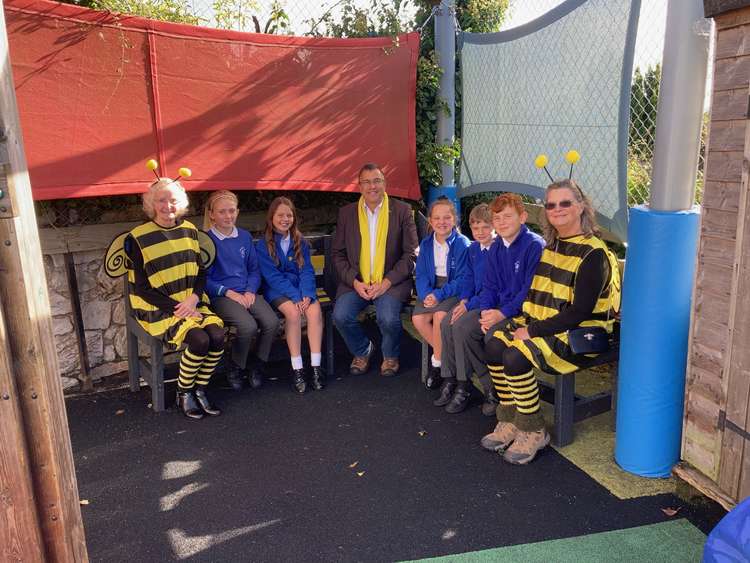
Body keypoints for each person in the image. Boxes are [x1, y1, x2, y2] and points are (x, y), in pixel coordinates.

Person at [481, 180, 620, 465]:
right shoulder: (554, 245)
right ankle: (511, 419)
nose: (557, 209)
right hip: (546, 322)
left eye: (565, 203)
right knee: (494, 344)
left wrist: (531, 331)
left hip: (581, 334)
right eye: (551, 204)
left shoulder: (594, 254)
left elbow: (579, 312)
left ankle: (534, 429)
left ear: (581, 207)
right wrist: (527, 324)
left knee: (515, 355)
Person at [125, 177, 224, 420]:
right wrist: (177, 308)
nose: (167, 206)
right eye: (161, 200)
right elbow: (142, 288)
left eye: (173, 200)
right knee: (200, 340)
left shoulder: (190, 230)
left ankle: (199, 389)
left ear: (180, 203)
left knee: (218, 336)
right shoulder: (138, 237)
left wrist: (193, 299)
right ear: (151, 204)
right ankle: (184, 392)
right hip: (158, 307)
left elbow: (200, 272)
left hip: (191, 300)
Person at [453, 194, 545, 417]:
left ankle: (510, 398)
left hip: (522, 313)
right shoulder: (496, 247)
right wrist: (485, 312)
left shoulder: (533, 245)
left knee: (491, 337)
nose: (501, 222)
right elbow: (489, 285)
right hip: (496, 310)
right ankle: (492, 387)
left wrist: (500, 314)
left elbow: (528, 292)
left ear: (522, 217)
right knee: (462, 327)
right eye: (497, 217)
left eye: (507, 216)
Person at [331, 163, 418, 377]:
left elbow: (411, 254)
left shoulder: (402, 211)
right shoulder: (347, 213)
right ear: (359, 186)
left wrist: (387, 282)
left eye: (377, 180)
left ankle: (390, 355)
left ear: (385, 184)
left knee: (388, 318)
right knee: (341, 316)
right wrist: (354, 282)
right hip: (357, 282)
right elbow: (338, 254)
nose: (372, 186)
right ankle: (363, 350)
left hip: (391, 282)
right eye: (367, 182)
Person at [204, 190, 280, 391]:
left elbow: (254, 269)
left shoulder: (244, 237)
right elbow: (204, 278)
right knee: (247, 326)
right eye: (222, 212)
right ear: (212, 214)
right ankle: (236, 366)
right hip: (223, 296)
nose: (228, 216)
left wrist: (249, 291)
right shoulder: (206, 240)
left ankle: (258, 365)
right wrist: (230, 293)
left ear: (237, 212)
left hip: (246, 292)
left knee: (272, 322)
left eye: (231, 211)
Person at [256, 196, 325, 394]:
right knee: (293, 314)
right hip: (277, 291)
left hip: (301, 289)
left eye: (289, 215)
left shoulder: (299, 240)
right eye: (280, 215)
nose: (285, 219)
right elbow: (272, 277)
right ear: (272, 218)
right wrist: (295, 297)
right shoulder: (263, 245)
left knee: (314, 312)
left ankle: (316, 367)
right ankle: (298, 369)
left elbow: (306, 270)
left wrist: (307, 294)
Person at [433, 203, 498, 414]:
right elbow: (468, 278)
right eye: (476, 228)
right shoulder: (473, 249)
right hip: (472, 300)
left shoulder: (498, 249)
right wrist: (463, 300)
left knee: (461, 327)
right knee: (446, 322)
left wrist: (469, 304)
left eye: (485, 227)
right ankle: (450, 378)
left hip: (489, 304)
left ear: (494, 226)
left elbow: (493, 287)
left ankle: (468, 385)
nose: (480, 232)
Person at [412, 197, 470, 390]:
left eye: (447, 217)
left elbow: (462, 279)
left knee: (439, 316)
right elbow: (420, 274)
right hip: (431, 287)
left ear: (454, 220)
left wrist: (439, 295)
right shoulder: (427, 243)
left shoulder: (461, 243)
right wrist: (426, 293)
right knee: (418, 320)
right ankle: (448, 360)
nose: (441, 222)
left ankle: (437, 365)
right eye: (437, 218)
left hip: (452, 289)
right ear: (430, 220)